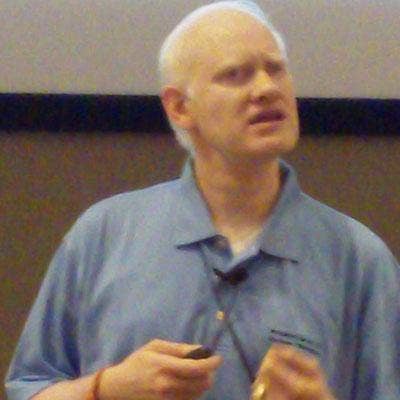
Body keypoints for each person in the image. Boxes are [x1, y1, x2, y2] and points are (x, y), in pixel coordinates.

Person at [5, 1, 399, 399]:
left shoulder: (359, 258)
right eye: (235, 75)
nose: (267, 88)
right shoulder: (104, 234)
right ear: (179, 108)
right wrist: (106, 388)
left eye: (276, 69)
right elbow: (28, 390)